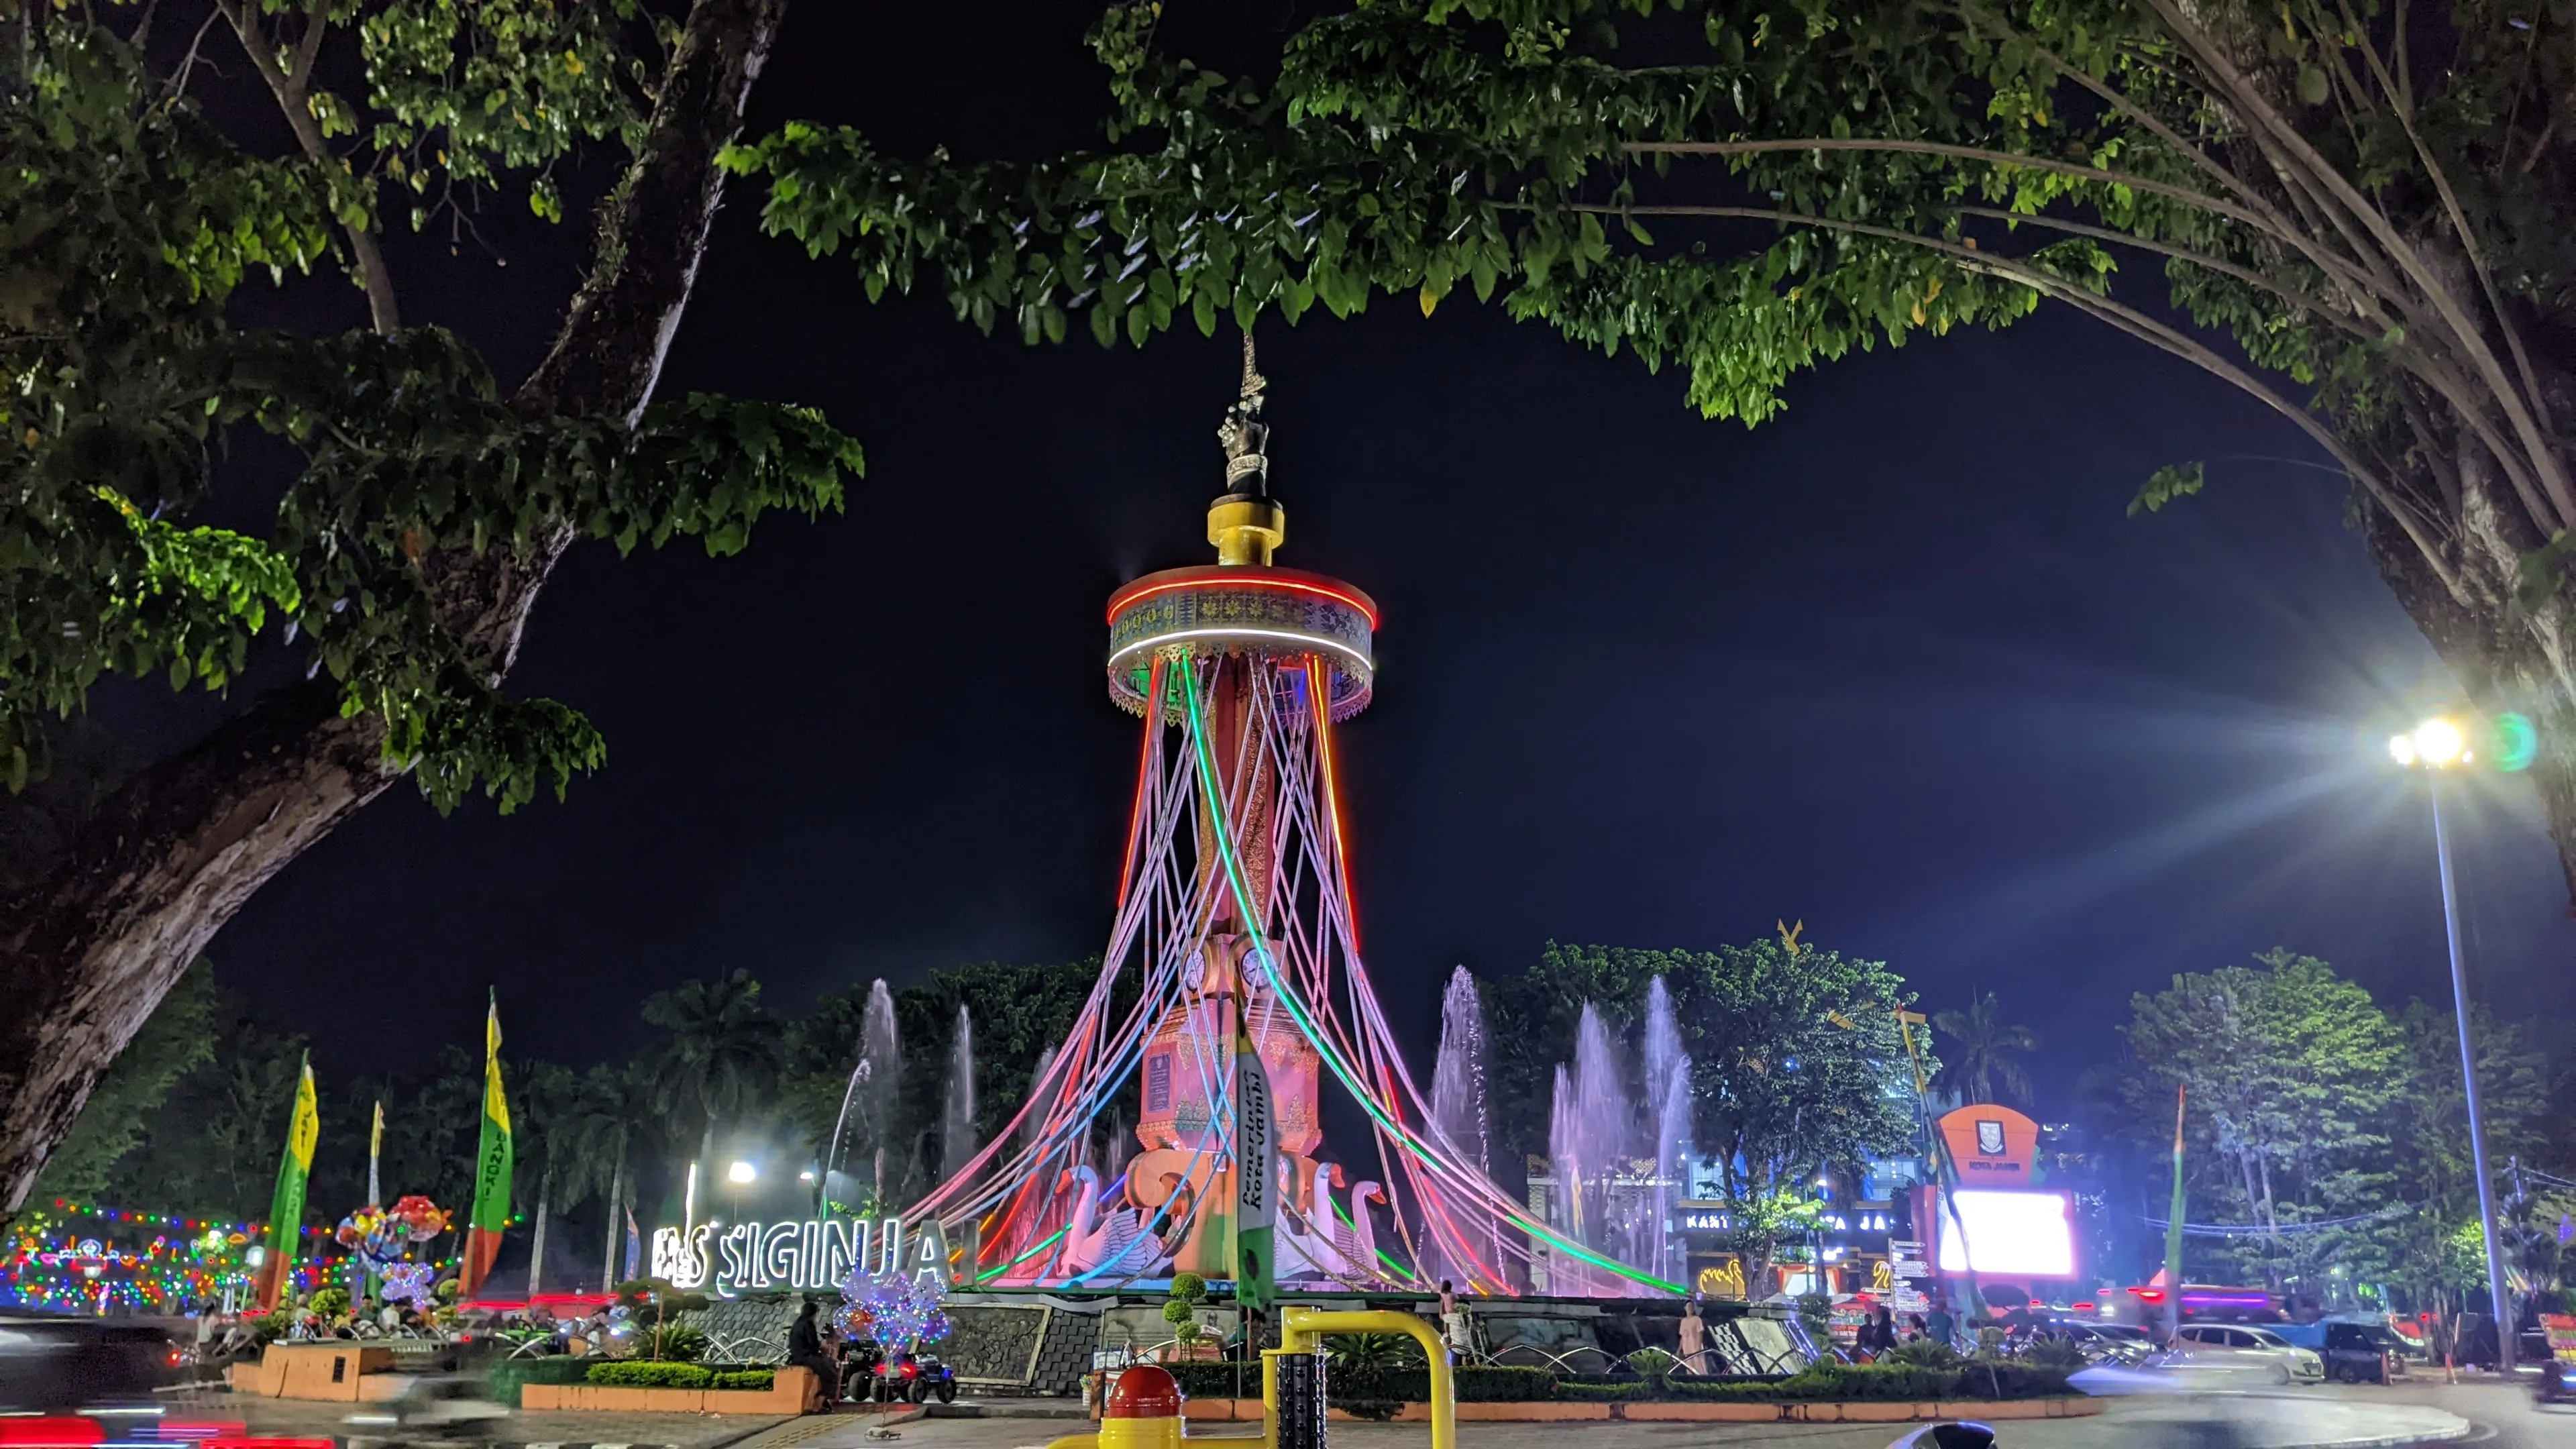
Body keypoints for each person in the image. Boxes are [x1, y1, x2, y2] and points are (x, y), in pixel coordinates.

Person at [786, 1299, 835, 1409]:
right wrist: (822, 1346)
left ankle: (821, 1400)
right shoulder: (808, 1325)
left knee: (825, 1370)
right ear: (814, 1314)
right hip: (807, 1358)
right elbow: (813, 1344)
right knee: (831, 1374)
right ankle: (820, 1401)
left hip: (795, 1357)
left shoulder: (796, 1324)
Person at [1677, 1299, 1709, 1376]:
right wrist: (1679, 1349)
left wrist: (1698, 1347)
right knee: (1689, 1367)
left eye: (1692, 1306)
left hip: (1696, 1348)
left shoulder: (1697, 1319)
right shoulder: (1683, 1321)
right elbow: (1683, 1336)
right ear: (1685, 1308)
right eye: (1688, 1306)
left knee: (1700, 1366)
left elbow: (1700, 1333)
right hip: (1687, 1348)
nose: (1690, 1308)